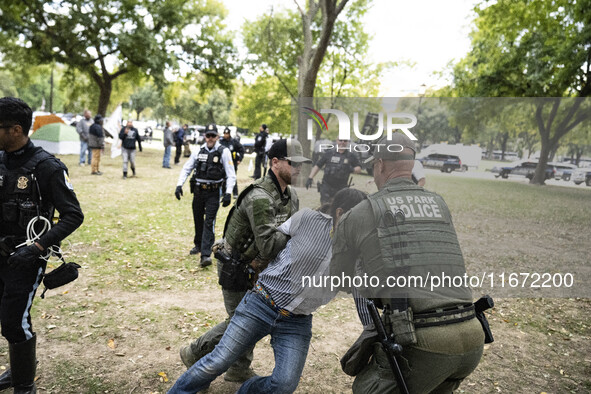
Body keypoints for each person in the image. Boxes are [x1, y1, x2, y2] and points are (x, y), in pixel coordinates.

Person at [169, 188, 367, 394]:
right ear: (341, 213)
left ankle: (247, 391)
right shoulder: (308, 219)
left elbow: (361, 292)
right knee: (217, 362)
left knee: (284, 385)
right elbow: (271, 243)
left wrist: (370, 329)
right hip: (261, 303)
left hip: (296, 321)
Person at [330, 133, 484, 393]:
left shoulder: (361, 213)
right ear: (411, 163)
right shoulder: (439, 204)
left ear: (379, 164)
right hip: (472, 334)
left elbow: (340, 280)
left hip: (422, 342)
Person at [178, 138, 311, 383]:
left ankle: (238, 369)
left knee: (249, 318)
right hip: (236, 268)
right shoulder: (259, 197)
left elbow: (288, 239)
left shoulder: (290, 197)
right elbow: (270, 245)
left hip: (261, 269)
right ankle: (194, 352)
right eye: (293, 163)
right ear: (275, 162)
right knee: (241, 321)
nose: (299, 169)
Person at [0, 97, 84, 394]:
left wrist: (36, 247)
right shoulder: (1, 159)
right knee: (10, 316)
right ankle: (19, 369)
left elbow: (73, 215)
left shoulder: (46, 166)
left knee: (12, 323)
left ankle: (24, 384)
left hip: (26, 259)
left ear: (16, 129)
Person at [174, 124, 236, 267]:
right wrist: (179, 185)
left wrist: (228, 193)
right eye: (208, 135)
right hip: (198, 191)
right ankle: (199, 244)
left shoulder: (223, 151)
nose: (210, 138)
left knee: (209, 221)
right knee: (198, 218)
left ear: (217, 137)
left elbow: (231, 174)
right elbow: (187, 168)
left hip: (213, 192)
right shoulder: (198, 150)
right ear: (204, 136)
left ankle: (206, 254)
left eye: (213, 136)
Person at [306, 138, 362, 204]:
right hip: (326, 186)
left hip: (341, 188)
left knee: (336, 208)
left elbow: (359, 168)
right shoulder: (329, 153)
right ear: (337, 141)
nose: (342, 142)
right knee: (325, 207)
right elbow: (318, 165)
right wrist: (310, 178)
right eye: (340, 140)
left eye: (345, 141)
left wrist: (352, 170)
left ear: (347, 142)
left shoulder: (351, 156)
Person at [219, 127, 245, 198]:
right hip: (223, 163)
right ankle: (224, 193)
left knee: (232, 177)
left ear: (229, 134)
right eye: (225, 133)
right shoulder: (221, 142)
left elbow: (242, 149)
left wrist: (240, 159)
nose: (226, 135)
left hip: (232, 162)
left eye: (227, 134)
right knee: (223, 178)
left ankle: (235, 193)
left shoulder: (234, 141)